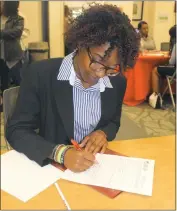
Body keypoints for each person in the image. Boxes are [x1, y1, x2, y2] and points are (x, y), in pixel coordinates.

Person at [6, 4, 139, 173]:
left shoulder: (117, 82)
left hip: (92, 171)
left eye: (112, 68)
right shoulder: (40, 74)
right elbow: (17, 130)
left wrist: (102, 133)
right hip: (49, 171)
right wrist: (61, 153)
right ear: (82, 43)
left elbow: (113, 122)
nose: (100, 74)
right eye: (98, 60)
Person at [0, 1, 24, 94]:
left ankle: (22, 103)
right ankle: (5, 105)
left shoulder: (19, 19)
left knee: (19, 82)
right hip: (1, 57)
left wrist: (1, 33)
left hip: (13, 56)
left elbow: (17, 32)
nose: (1, 5)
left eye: (3, 3)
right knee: (4, 84)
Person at [151, 25, 176, 95]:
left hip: (175, 72)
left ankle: (156, 96)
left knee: (155, 70)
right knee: (162, 70)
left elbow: (171, 62)